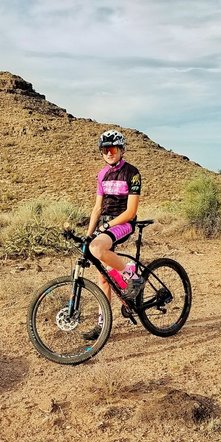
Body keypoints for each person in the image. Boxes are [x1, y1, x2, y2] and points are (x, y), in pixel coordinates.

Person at [83, 129, 144, 340]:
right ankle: (103, 326)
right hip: (104, 224)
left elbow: (131, 211)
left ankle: (133, 276)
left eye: (112, 148)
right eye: (104, 150)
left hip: (123, 222)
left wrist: (104, 228)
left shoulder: (132, 173)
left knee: (98, 248)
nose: (108, 153)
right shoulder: (101, 174)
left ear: (121, 149)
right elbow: (97, 208)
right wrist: (88, 234)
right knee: (103, 276)